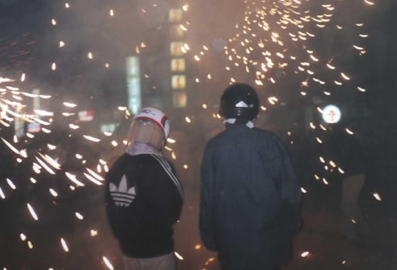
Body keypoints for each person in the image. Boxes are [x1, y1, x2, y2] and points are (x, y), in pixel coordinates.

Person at [199, 83, 302, 270]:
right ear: (255, 111)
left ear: (224, 111)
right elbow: (290, 193)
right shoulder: (270, 142)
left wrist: (210, 237)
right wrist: (289, 228)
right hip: (268, 246)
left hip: (231, 248)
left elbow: (208, 200)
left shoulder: (213, 147)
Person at [105, 107, 183, 270]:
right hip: (157, 253)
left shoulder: (117, 165)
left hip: (128, 253)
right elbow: (174, 206)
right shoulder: (160, 165)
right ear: (161, 135)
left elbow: (110, 209)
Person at [324, 123, 370, 240]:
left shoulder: (345, 141)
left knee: (347, 204)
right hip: (352, 174)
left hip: (354, 175)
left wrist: (336, 161)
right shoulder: (347, 140)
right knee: (350, 203)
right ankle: (362, 229)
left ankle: (350, 233)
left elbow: (345, 157)